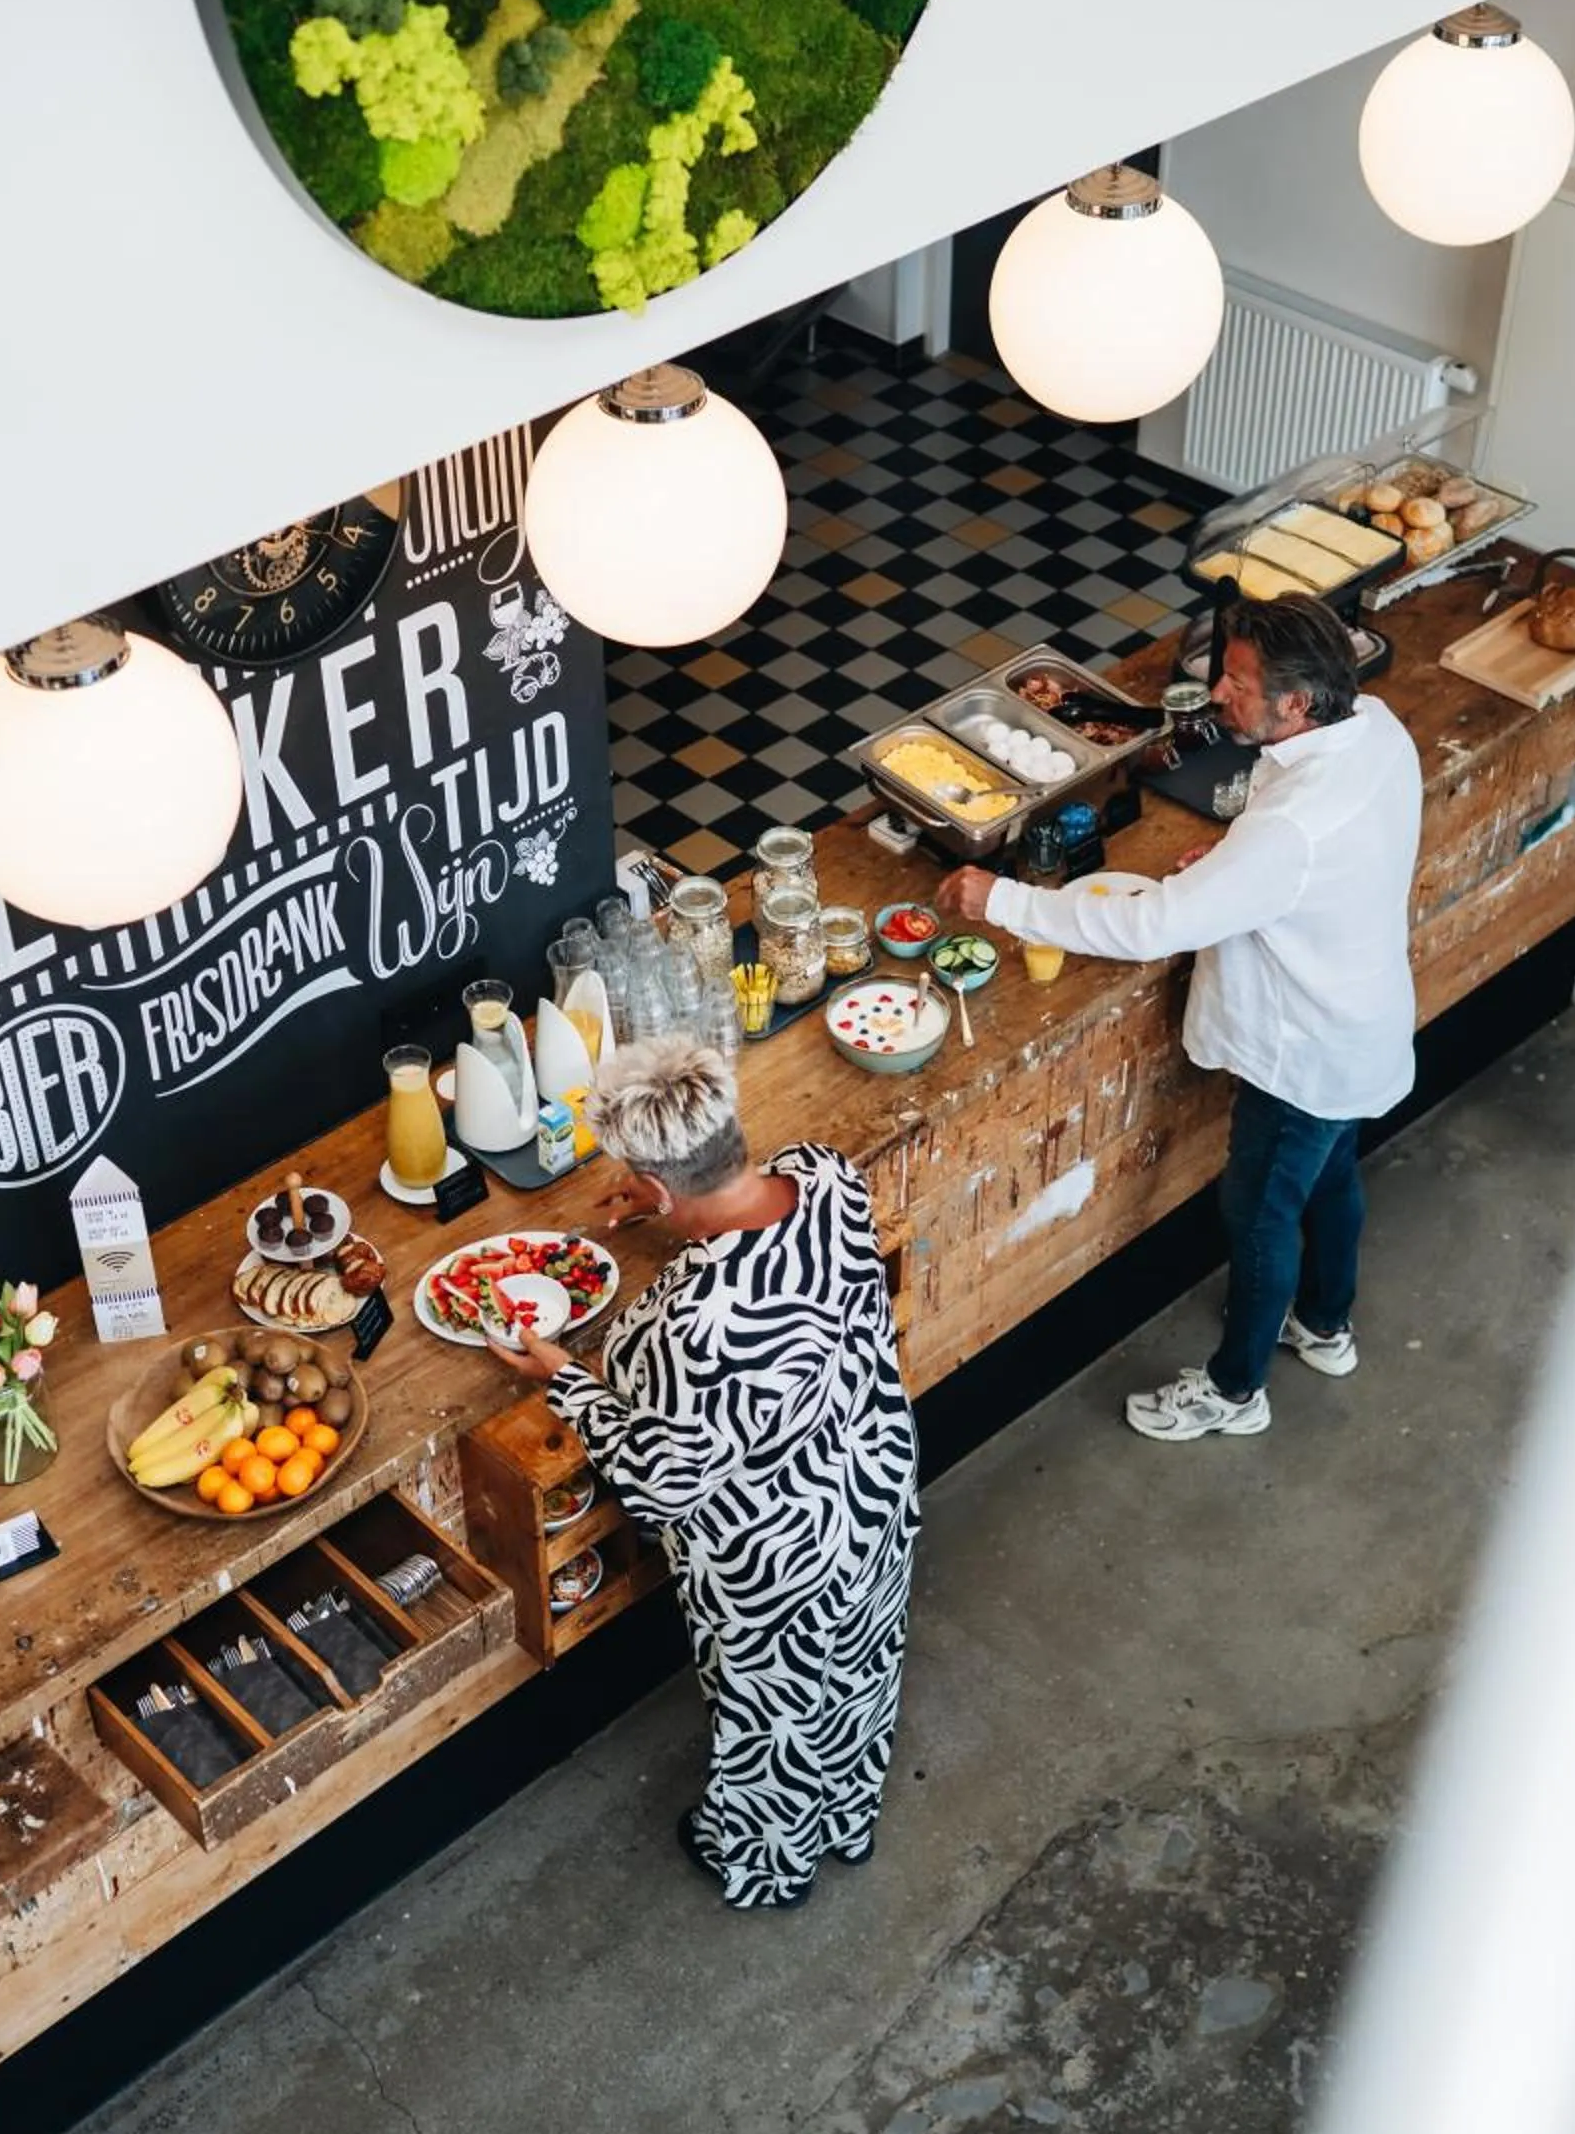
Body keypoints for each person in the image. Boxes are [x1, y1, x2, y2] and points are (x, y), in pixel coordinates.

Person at [938, 593, 1422, 1443]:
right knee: (1332, 1179)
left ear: (1296, 703)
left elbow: (1151, 926)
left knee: (1259, 1215)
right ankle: (1325, 1323)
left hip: (1301, 1054)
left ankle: (1236, 1391)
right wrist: (1238, 865)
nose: (1217, 692)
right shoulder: (1376, 729)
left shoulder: (1291, 833)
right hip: (1364, 1022)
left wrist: (1003, 900)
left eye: (1238, 682)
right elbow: (1313, 861)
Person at [485, 1035, 920, 1909]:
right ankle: (849, 1819)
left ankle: (769, 1868)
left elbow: (660, 1481)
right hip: (870, 1483)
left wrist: (561, 1378)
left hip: (775, 1556)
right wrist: (669, 1209)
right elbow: (759, 1243)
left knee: (774, 1719)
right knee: (861, 1667)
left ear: (655, 1179)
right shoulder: (824, 1174)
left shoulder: (701, 1324)